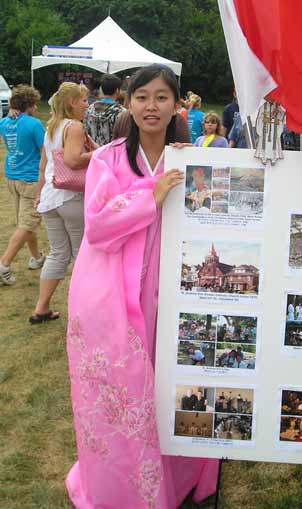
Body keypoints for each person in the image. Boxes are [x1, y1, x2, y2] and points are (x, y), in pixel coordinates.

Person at [65, 64, 217, 508]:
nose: (151, 106)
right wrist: (151, 194)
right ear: (128, 104)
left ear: (177, 106)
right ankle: (122, 488)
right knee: (121, 393)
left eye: (161, 97)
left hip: (170, 292)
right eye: (142, 97)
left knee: (173, 383)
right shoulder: (106, 158)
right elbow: (97, 226)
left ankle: (180, 475)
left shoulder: (187, 159)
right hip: (110, 294)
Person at [29, 82, 97, 324]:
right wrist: (102, 152)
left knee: (58, 254)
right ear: (72, 103)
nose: (87, 106)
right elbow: (74, 160)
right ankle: (84, 311)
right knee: (83, 255)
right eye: (84, 101)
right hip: (71, 197)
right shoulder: (74, 127)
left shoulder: (52, 127)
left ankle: (41, 308)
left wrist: (38, 194)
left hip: (50, 197)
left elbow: (43, 167)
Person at [0, 85, 45, 285]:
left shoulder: (4, 122)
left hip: (12, 176)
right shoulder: (34, 124)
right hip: (30, 178)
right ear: (29, 104)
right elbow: (46, 151)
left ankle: (37, 258)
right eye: (35, 104)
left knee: (26, 222)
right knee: (28, 223)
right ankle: (4, 265)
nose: (36, 107)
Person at [85, 73, 126, 146]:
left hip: (94, 153)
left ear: (102, 90)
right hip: (113, 154)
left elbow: (86, 132)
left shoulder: (90, 108)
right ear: (117, 91)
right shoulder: (121, 112)